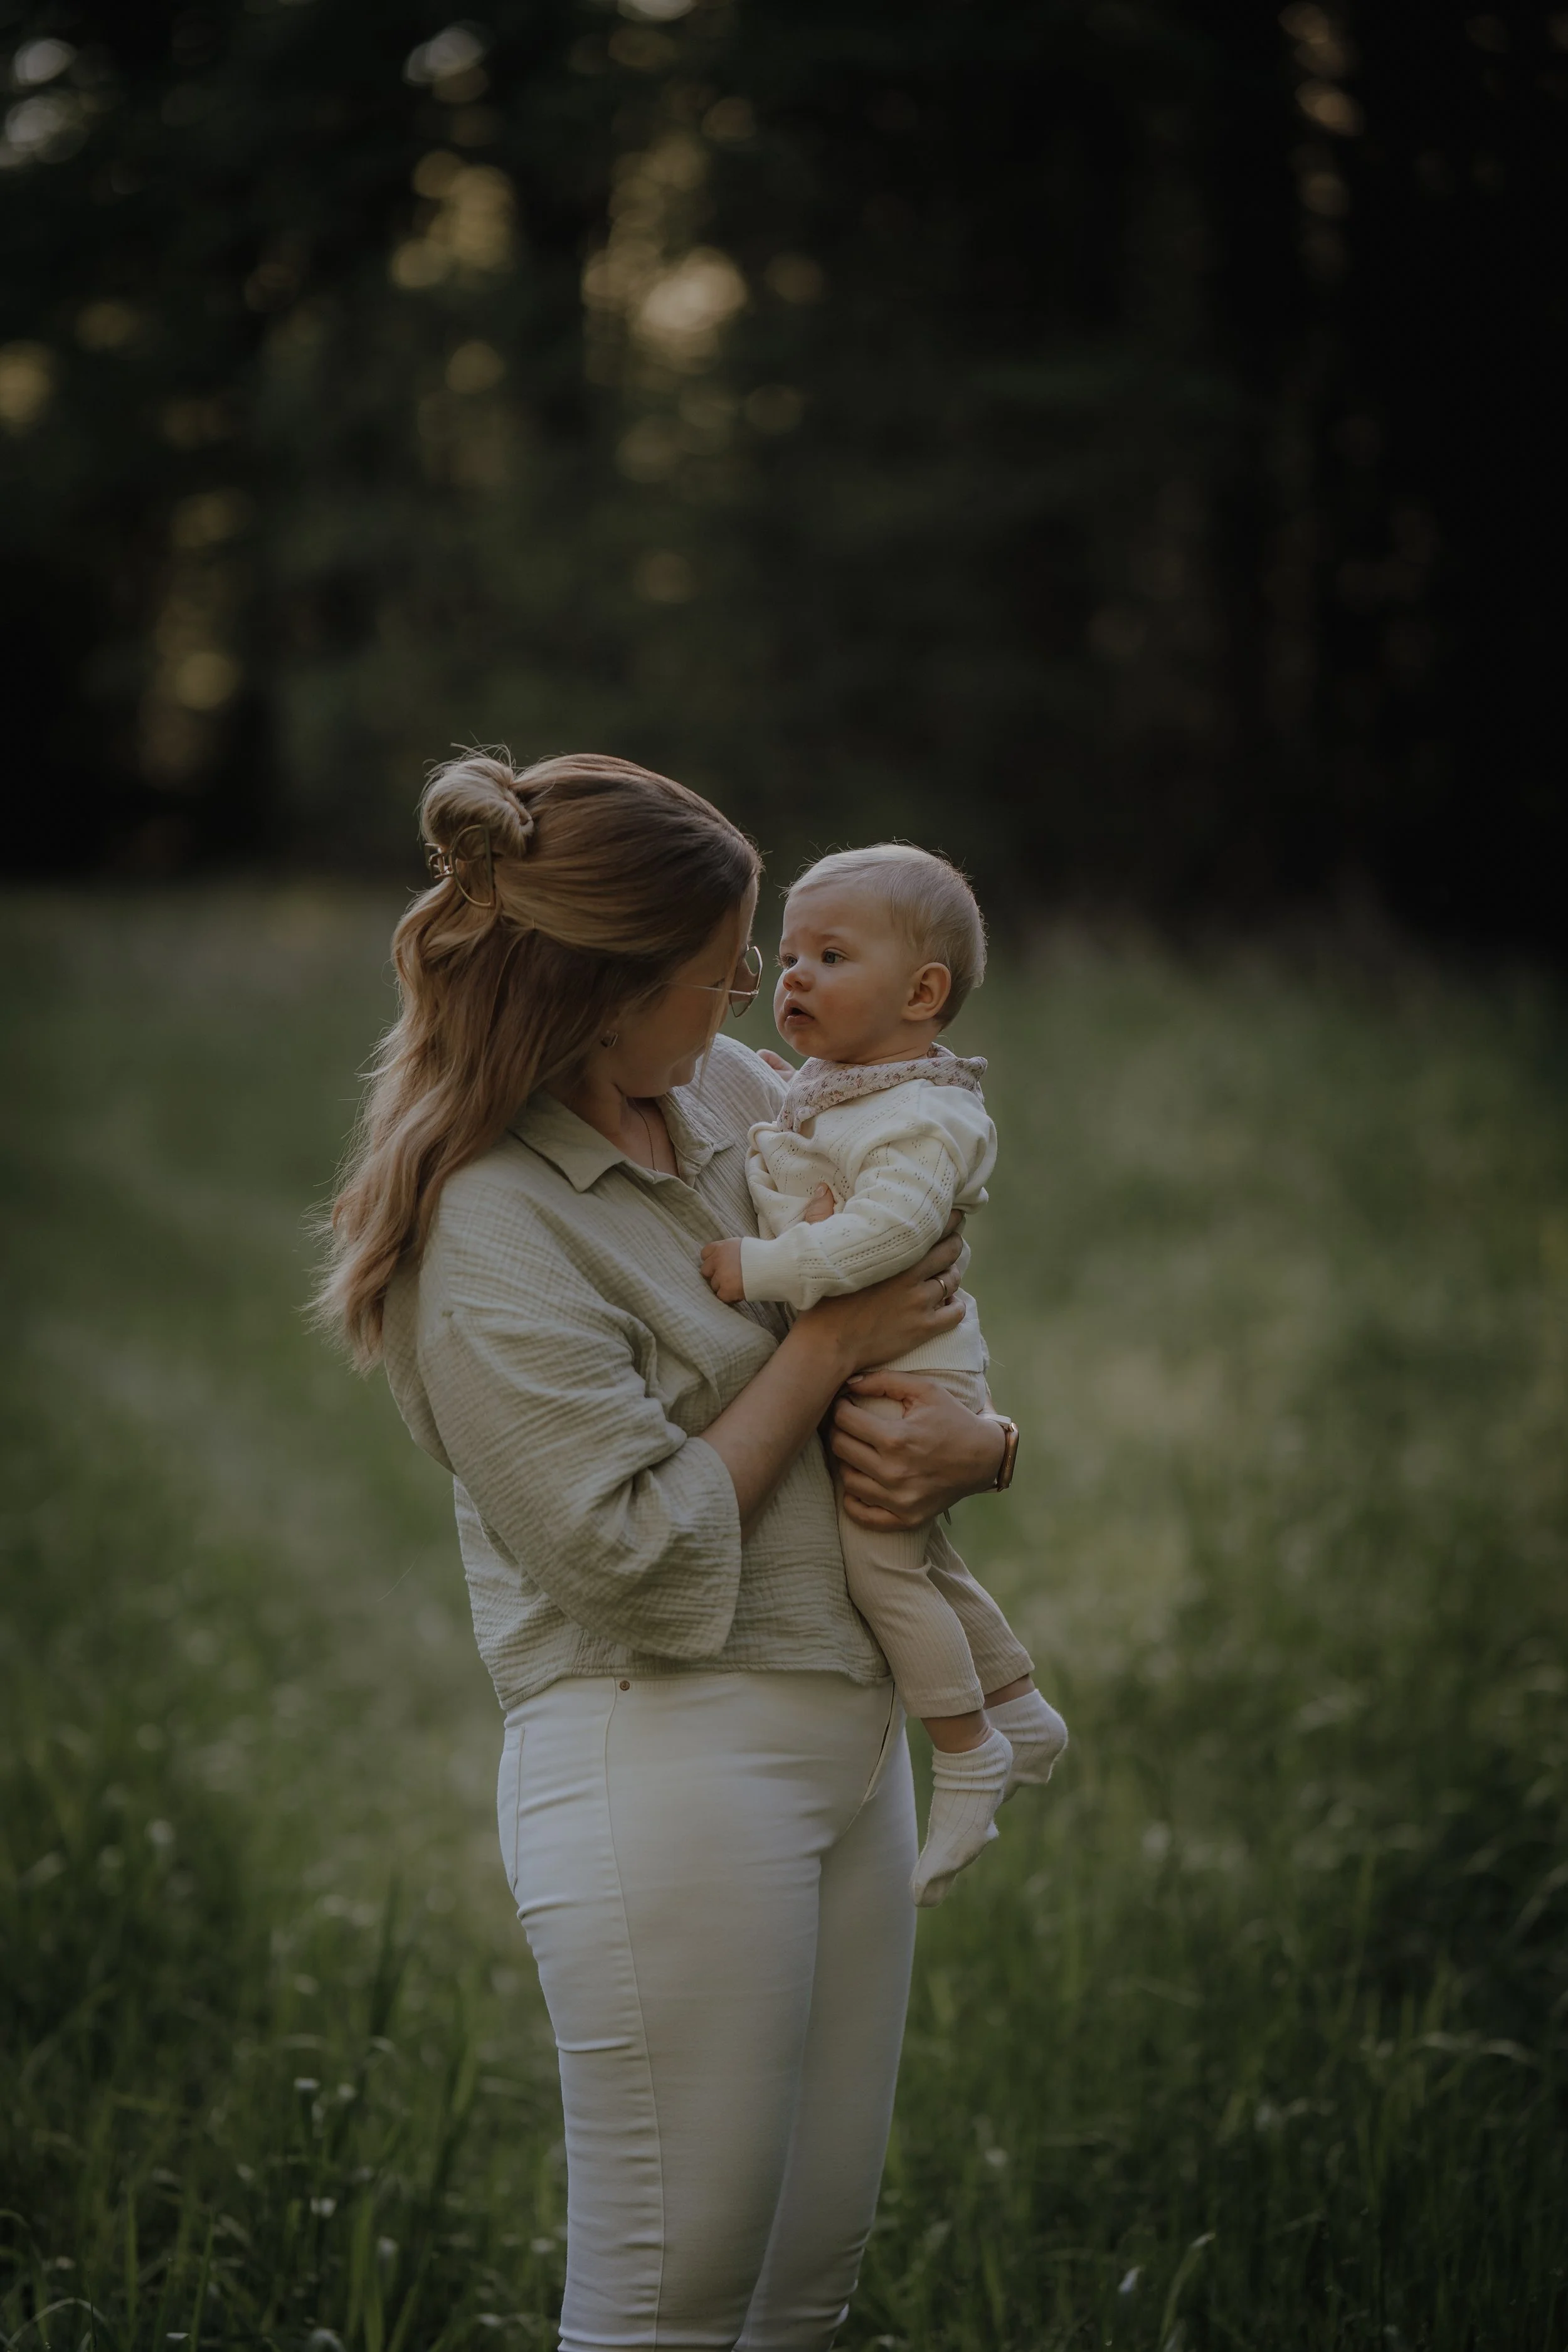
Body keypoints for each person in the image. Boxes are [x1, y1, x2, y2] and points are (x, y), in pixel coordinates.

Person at [317, 751, 1022, 2352]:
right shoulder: (485, 1232)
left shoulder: (724, 1098)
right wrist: (821, 1351)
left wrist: (983, 1448)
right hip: (669, 1758)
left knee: (801, 2294)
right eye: (716, 978)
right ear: (592, 990)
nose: (751, 1006)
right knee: (666, 2311)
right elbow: (625, 1550)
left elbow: (919, 1294)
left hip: (850, 1741)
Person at [700, 846, 1067, 1905]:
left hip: (914, 1381)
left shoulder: (919, 1116)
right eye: (791, 956)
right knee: (928, 1557)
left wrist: (758, 1265)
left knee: (884, 1572)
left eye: (829, 954)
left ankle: (965, 1751)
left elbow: (888, 1233)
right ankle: (1020, 1703)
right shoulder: (833, 1087)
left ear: (923, 993)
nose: (792, 977)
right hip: (899, 1369)